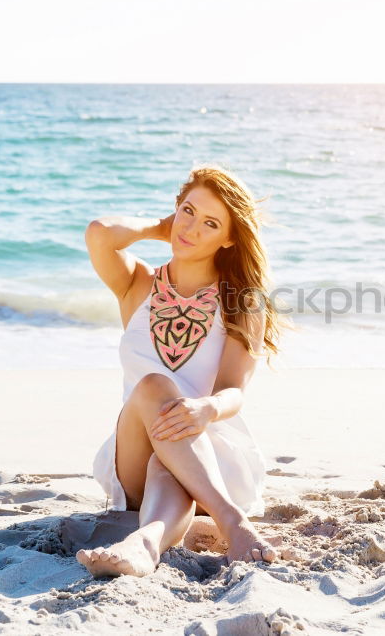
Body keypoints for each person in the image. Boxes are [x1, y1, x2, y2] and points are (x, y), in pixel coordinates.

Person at [76, 165, 286, 577]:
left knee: (169, 456)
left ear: (229, 239)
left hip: (208, 450)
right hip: (134, 448)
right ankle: (233, 522)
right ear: (175, 210)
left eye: (210, 223)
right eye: (188, 212)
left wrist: (205, 409)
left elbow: (233, 391)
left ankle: (145, 542)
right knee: (155, 386)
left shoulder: (243, 302)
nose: (192, 228)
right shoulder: (137, 284)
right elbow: (100, 231)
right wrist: (162, 228)